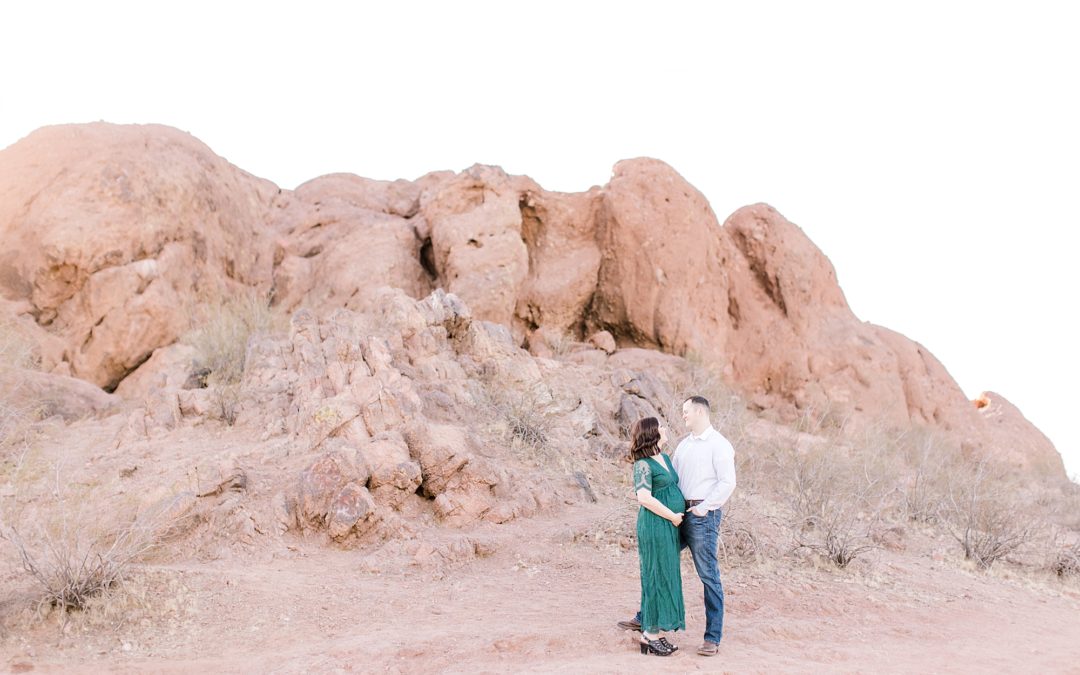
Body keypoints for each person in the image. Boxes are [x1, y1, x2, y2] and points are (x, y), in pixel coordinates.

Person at [618, 396, 737, 657]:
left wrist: (704, 507)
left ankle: (712, 638)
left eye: (685, 412)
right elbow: (672, 481)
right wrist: (663, 506)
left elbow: (727, 483)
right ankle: (646, 618)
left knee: (708, 574)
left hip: (702, 516)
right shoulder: (683, 446)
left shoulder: (720, 445)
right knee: (658, 563)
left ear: (699, 412)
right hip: (676, 516)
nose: (682, 416)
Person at [628, 417, 685, 656]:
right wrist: (672, 515)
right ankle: (649, 634)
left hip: (670, 526)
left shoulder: (664, 458)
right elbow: (644, 498)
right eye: (660, 426)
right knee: (654, 575)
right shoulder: (642, 464)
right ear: (652, 432)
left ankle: (657, 631)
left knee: (666, 574)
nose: (665, 428)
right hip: (655, 525)